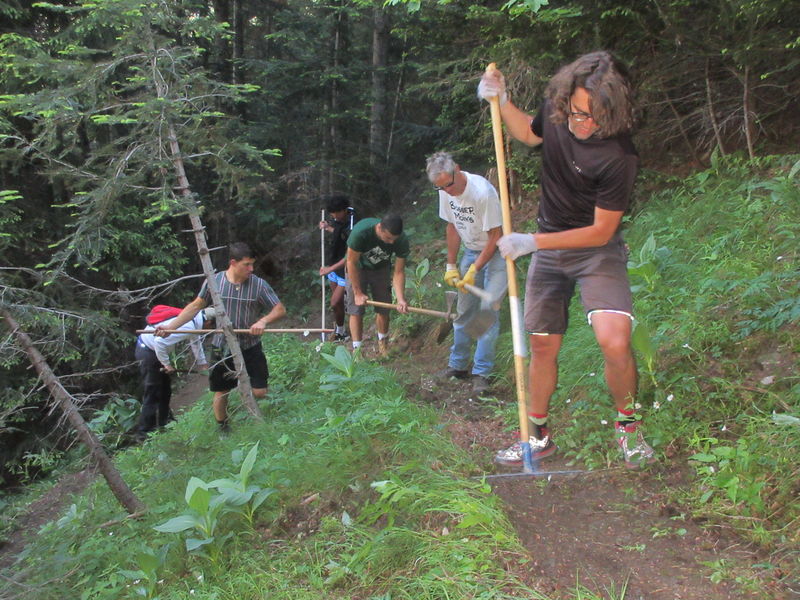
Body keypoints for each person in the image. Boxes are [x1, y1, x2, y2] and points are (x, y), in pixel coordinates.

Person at [478, 51, 655, 468]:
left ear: (612, 111)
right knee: (541, 344)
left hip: (595, 250)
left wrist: (533, 242)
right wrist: (500, 101)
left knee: (614, 339)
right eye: (577, 112)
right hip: (548, 245)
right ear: (565, 101)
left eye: (594, 116)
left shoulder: (619, 155)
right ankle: (537, 435)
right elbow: (528, 134)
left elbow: (601, 231)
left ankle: (628, 427)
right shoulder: (557, 112)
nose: (582, 123)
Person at [155, 242, 286, 431]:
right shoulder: (215, 282)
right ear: (233, 262)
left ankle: (248, 401)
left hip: (250, 345)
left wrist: (263, 321)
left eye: (252, 265)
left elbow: (279, 309)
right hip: (221, 346)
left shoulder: (258, 284)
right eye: (246, 265)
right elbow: (194, 307)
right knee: (221, 391)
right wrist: (170, 327)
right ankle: (223, 427)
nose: (251, 269)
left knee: (260, 391)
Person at [426, 151, 507, 395]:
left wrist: (475, 268)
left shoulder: (483, 193)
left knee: (486, 314)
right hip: (471, 251)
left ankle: (482, 373)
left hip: (497, 254)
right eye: (440, 188)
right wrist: (452, 265)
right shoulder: (445, 191)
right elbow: (451, 227)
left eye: (449, 185)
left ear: (457, 170)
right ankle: (458, 366)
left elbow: (496, 235)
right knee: (463, 312)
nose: (447, 191)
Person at [135, 306, 214, 439]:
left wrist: (202, 363)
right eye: (211, 327)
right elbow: (159, 342)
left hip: (154, 352)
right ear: (208, 322)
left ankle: (166, 422)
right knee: (153, 392)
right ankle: (144, 432)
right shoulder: (189, 325)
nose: (210, 330)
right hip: (148, 352)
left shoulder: (193, 321)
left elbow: (195, 341)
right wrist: (166, 364)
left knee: (165, 390)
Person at [345, 214, 410, 357]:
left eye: (394, 239)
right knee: (356, 310)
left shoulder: (401, 240)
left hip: (381, 269)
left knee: (384, 307)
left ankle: (383, 344)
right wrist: (357, 293)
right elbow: (351, 262)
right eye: (388, 238)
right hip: (357, 268)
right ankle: (357, 351)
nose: (391, 243)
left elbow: (398, 272)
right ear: (379, 228)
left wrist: (400, 299)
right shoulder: (361, 232)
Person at [318, 195, 357, 342]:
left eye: (337, 213)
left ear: (345, 210)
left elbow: (350, 254)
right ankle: (341, 332)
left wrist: (330, 269)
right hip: (334, 264)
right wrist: (328, 227)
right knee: (338, 304)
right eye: (332, 214)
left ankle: (342, 331)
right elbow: (339, 234)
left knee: (335, 302)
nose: (334, 216)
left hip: (345, 267)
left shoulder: (353, 223)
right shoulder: (338, 219)